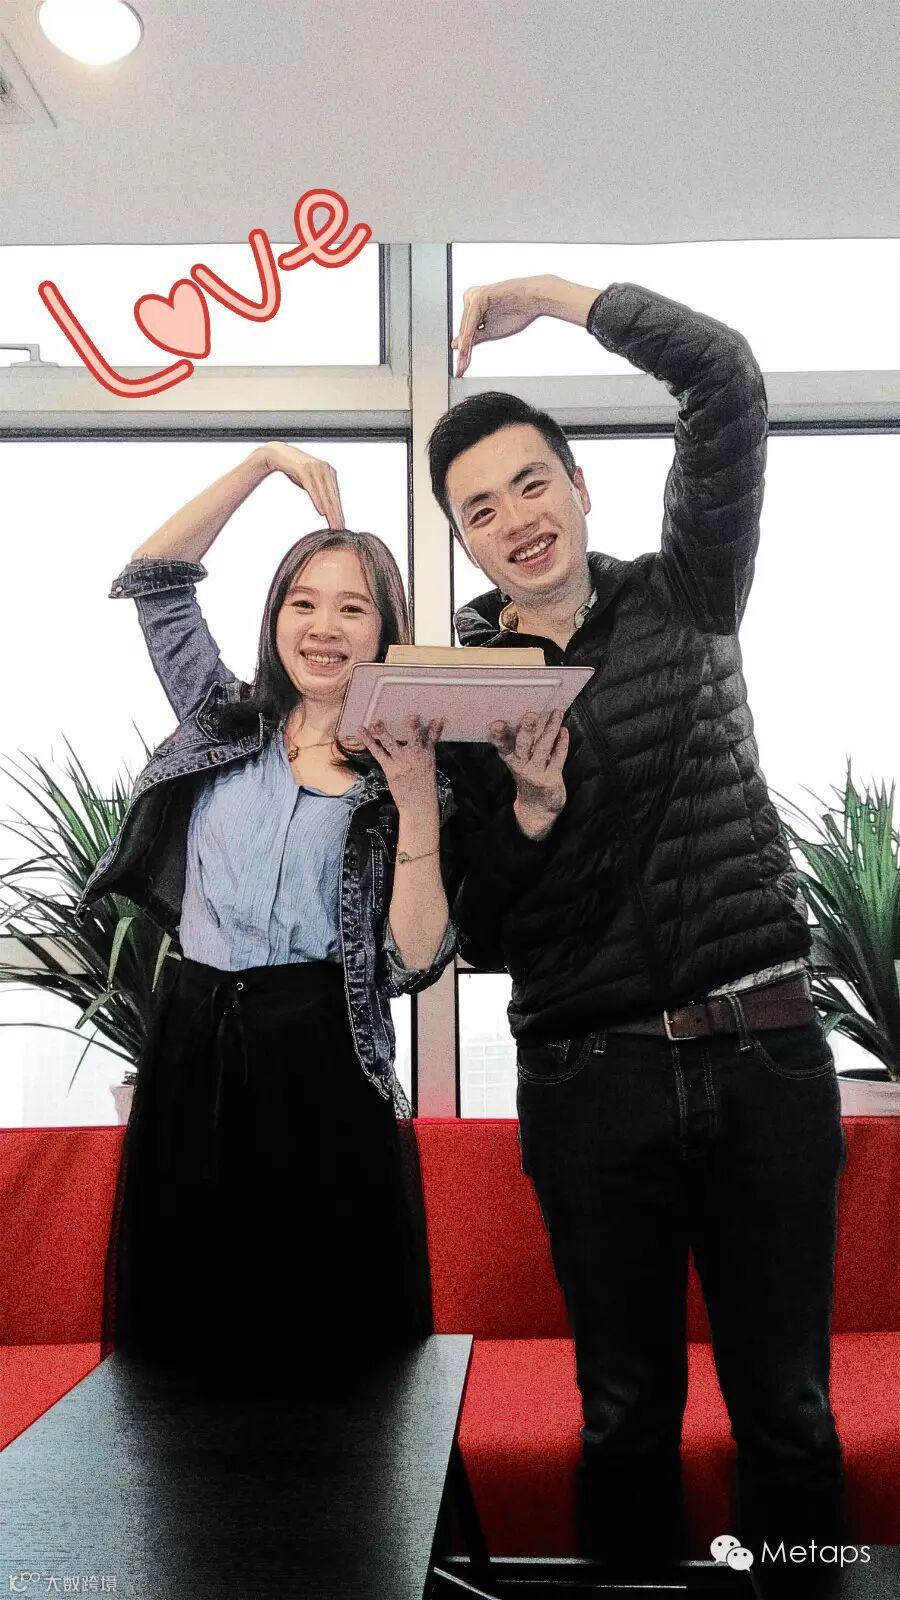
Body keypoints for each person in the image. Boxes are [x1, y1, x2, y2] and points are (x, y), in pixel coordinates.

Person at [427, 275, 847, 1582]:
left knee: (790, 1413)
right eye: (480, 510)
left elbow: (725, 377)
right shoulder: (451, 689)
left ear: (580, 486)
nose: (515, 520)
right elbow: (476, 931)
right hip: (587, 1084)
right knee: (622, 1421)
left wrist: (558, 298)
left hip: (764, 1056)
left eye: (529, 484)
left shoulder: (688, 592)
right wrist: (532, 813)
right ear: (466, 544)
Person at [77, 441, 459, 1362]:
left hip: (321, 1053)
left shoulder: (407, 770)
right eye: (303, 602)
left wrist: (416, 802)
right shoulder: (221, 716)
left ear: (384, 631)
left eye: (352, 608)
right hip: (193, 1041)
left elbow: (415, 959)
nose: (324, 627)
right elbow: (155, 579)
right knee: (188, 1323)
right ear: (277, 616)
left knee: (324, 1331)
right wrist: (261, 465)